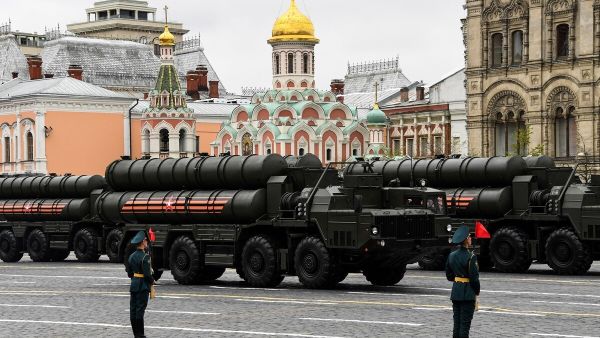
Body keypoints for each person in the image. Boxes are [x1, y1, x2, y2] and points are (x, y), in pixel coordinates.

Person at [445, 225, 480, 338]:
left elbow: (449, 275)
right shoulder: (471, 257)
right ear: (465, 240)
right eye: (469, 237)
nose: (471, 238)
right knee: (465, 326)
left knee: (457, 325)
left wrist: (458, 280)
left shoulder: (452, 255)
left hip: (456, 292)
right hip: (468, 294)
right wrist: (477, 292)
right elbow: (474, 278)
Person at [126, 231, 155, 338]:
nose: (147, 242)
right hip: (143, 286)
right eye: (146, 240)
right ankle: (141, 335)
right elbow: (147, 275)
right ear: (143, 242)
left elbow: (129, 274)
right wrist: (152, 281)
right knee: (140, 310)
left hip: (134, 285)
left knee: (133, 310)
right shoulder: (145, 257)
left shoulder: (131, 256)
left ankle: (136, 334)